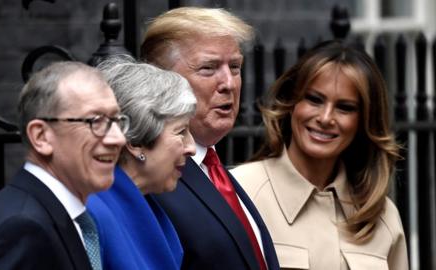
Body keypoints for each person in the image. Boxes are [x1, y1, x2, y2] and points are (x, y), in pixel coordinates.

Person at [230, 40, 409, 270]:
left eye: (345, 107)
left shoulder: (383, 216)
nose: (325, 118)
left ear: (364, 121)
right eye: (314, 99)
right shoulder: (241, 193)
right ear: (291, 102)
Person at [141, 7, 280, 270]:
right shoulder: (152, 178)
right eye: (208, 68)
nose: (229, 83)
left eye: (235, 67)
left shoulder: (215, 168)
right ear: (159, 78)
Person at [0, 61, 128, 270]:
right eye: (96, 121)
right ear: (41, 136)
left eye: (117, 120)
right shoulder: (23, 230)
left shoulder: (55, 213)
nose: (118, 138)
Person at [86, 58, 197, 270]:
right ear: (136, 142)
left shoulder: (149, 205)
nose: (191, 147)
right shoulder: (92, 215)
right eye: (181, 132)